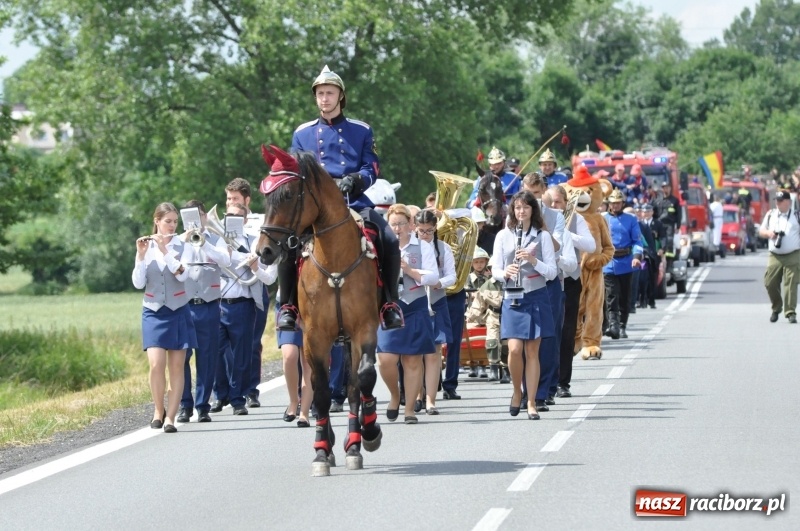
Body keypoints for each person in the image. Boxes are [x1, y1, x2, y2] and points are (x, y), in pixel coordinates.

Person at [281, 65, 403, 332]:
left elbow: (372, 167)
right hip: (314, 208)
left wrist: (356, 180)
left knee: (390, 239)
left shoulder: (361, 130)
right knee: (287, 242)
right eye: (320, 93)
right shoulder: (302, 134)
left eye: (330, 93)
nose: (324, 98)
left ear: (340, 96)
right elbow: (294, 171)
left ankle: (390, 303)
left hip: (354, 202)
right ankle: (288, 305)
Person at [490, 191, 558, 420]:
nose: (521, 212)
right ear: (512, 210)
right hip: (513, 296)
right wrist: (505, 273)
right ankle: (516, 391)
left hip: (536, 294)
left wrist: (532, 260)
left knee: (532, 351)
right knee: (515, 349)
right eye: (518, 208)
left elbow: (551, 273)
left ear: (532, 210)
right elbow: (495, 269)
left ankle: (531, 401)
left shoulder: (542, 236)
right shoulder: (503, 235)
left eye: (526, 208)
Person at [132, 202, 197, 433]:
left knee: (177, 365)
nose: (171, 226)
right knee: (156, 364)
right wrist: (140, 256)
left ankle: (171, 417)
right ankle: (157, 411)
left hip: (178, 309)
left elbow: (182, 275)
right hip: (152, 309)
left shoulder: (184, 246)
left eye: (174, 222)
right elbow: (138, 283)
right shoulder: (146, 247)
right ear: (156, 221)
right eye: (167, 221)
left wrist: (166, 251)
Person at [377, 204, 439, 424]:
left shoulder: (422, 247)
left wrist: (410, 270)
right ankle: (395, 395)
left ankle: (410, 409)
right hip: (389, 307)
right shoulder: (381, 247)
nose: (398, 229)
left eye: (402, 224)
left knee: (413, 360)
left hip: (415, 305)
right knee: (386, 359)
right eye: (393, 224)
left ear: (410, 225)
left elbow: (433, 277)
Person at [210, 201, 274, 416]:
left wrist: (251, 261)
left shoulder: (254, 241)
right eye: (229, 215)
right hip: (218, 303)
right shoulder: (217, 241)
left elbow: (265, 271)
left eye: (238, 216)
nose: (232, 219)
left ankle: (238, 399)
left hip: (243, 304)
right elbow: (214, 261)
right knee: (216, 352)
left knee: (241, 355)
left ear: (245, 220)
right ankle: (220, 395)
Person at [177, 200, 232, 424]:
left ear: (203, 217)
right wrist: (184, 240)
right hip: (184, 306)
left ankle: (202, 405)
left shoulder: (215, 239)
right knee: (181, 358)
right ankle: (184, 404)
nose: (195, 220)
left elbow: (225, 260)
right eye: (190, 216)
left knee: (207, 358)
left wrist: (203, 243)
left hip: (209, 305)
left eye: (198, 215)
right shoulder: (177, 242)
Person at [544, 185, 596, 398]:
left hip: (570, 281)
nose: (555, 206)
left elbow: (591, 246)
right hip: (547, 280)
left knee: (566, 332)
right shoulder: (541, 220)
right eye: (552, 202)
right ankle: (547, 380)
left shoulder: (576, 219)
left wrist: (566, 235)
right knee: (549, 333)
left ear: (566, 203)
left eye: (558, 202)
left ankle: (563, 382)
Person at [521, 173, 564, 411]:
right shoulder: (516, 215)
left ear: (543, 192)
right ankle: (527, 390)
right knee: (524, 340)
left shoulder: (555, 216)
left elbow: (557, 247)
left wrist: (541, 224)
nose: (533, 199)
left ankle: (544, 391)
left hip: (548, 280)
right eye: (529, 193)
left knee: (548, 338)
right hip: (524, 282)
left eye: (537, 194)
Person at [224, 179, 267, 409]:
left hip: (254, 287)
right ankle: (231, 388)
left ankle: (251, 389)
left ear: (247, 200)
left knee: (252, 343)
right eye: (229, 199)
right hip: (228, 289)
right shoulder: (222, 224)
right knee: (227, 345)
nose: (231, 202)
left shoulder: (260, 221)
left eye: (236, 199)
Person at [415, 209, 455, 413]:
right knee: (417, 352)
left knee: (434, 353)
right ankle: (418, 394)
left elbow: (452, 277)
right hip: (416, 301)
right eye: (421, 231)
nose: (425, 235)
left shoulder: (443, 248)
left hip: (436, 300)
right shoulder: (410, 248)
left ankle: (431, 399)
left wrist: (439, 282)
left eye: (429, 231)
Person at [602, 190, 643, 340]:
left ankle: (623, 325)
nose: (615, 205)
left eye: (618, 202)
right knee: (611, 295)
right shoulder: (603, 219)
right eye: (612, 203)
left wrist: (636, 257)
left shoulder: (631, 219)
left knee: (625, 296)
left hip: (626, 262)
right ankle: (613, 326)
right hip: (608, 262)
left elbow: (637, 241)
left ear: (623, 203)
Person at [466, 247, 508, 383]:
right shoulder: (487, 285)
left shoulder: (511, 283)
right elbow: (478, 303)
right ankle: (493, 369)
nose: (479, 265)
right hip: (492, 316)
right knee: (492, 341)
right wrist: (469, 317)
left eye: (482, 262)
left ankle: (507, 370)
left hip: (509, 317)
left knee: (507, 344)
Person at [758, 190, 800, 324]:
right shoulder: (771, 214)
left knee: (791, 283)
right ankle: (776, 307)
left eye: (781, 201)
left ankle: (790, 312)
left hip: (793, 254)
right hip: (775, 255)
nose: (778, 203)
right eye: (776, 200)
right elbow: (761, 231)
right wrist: (769, 234)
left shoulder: (796, 216)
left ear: (788, 202)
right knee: (770, 282)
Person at [710, 193, 725, 258]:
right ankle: (717, 243)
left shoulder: (714, 204)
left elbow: (711, 211)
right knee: (718, 232)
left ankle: (715, 244)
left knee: (715, 231)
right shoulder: (720, 205)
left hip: (715, 218)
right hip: (720, 219)